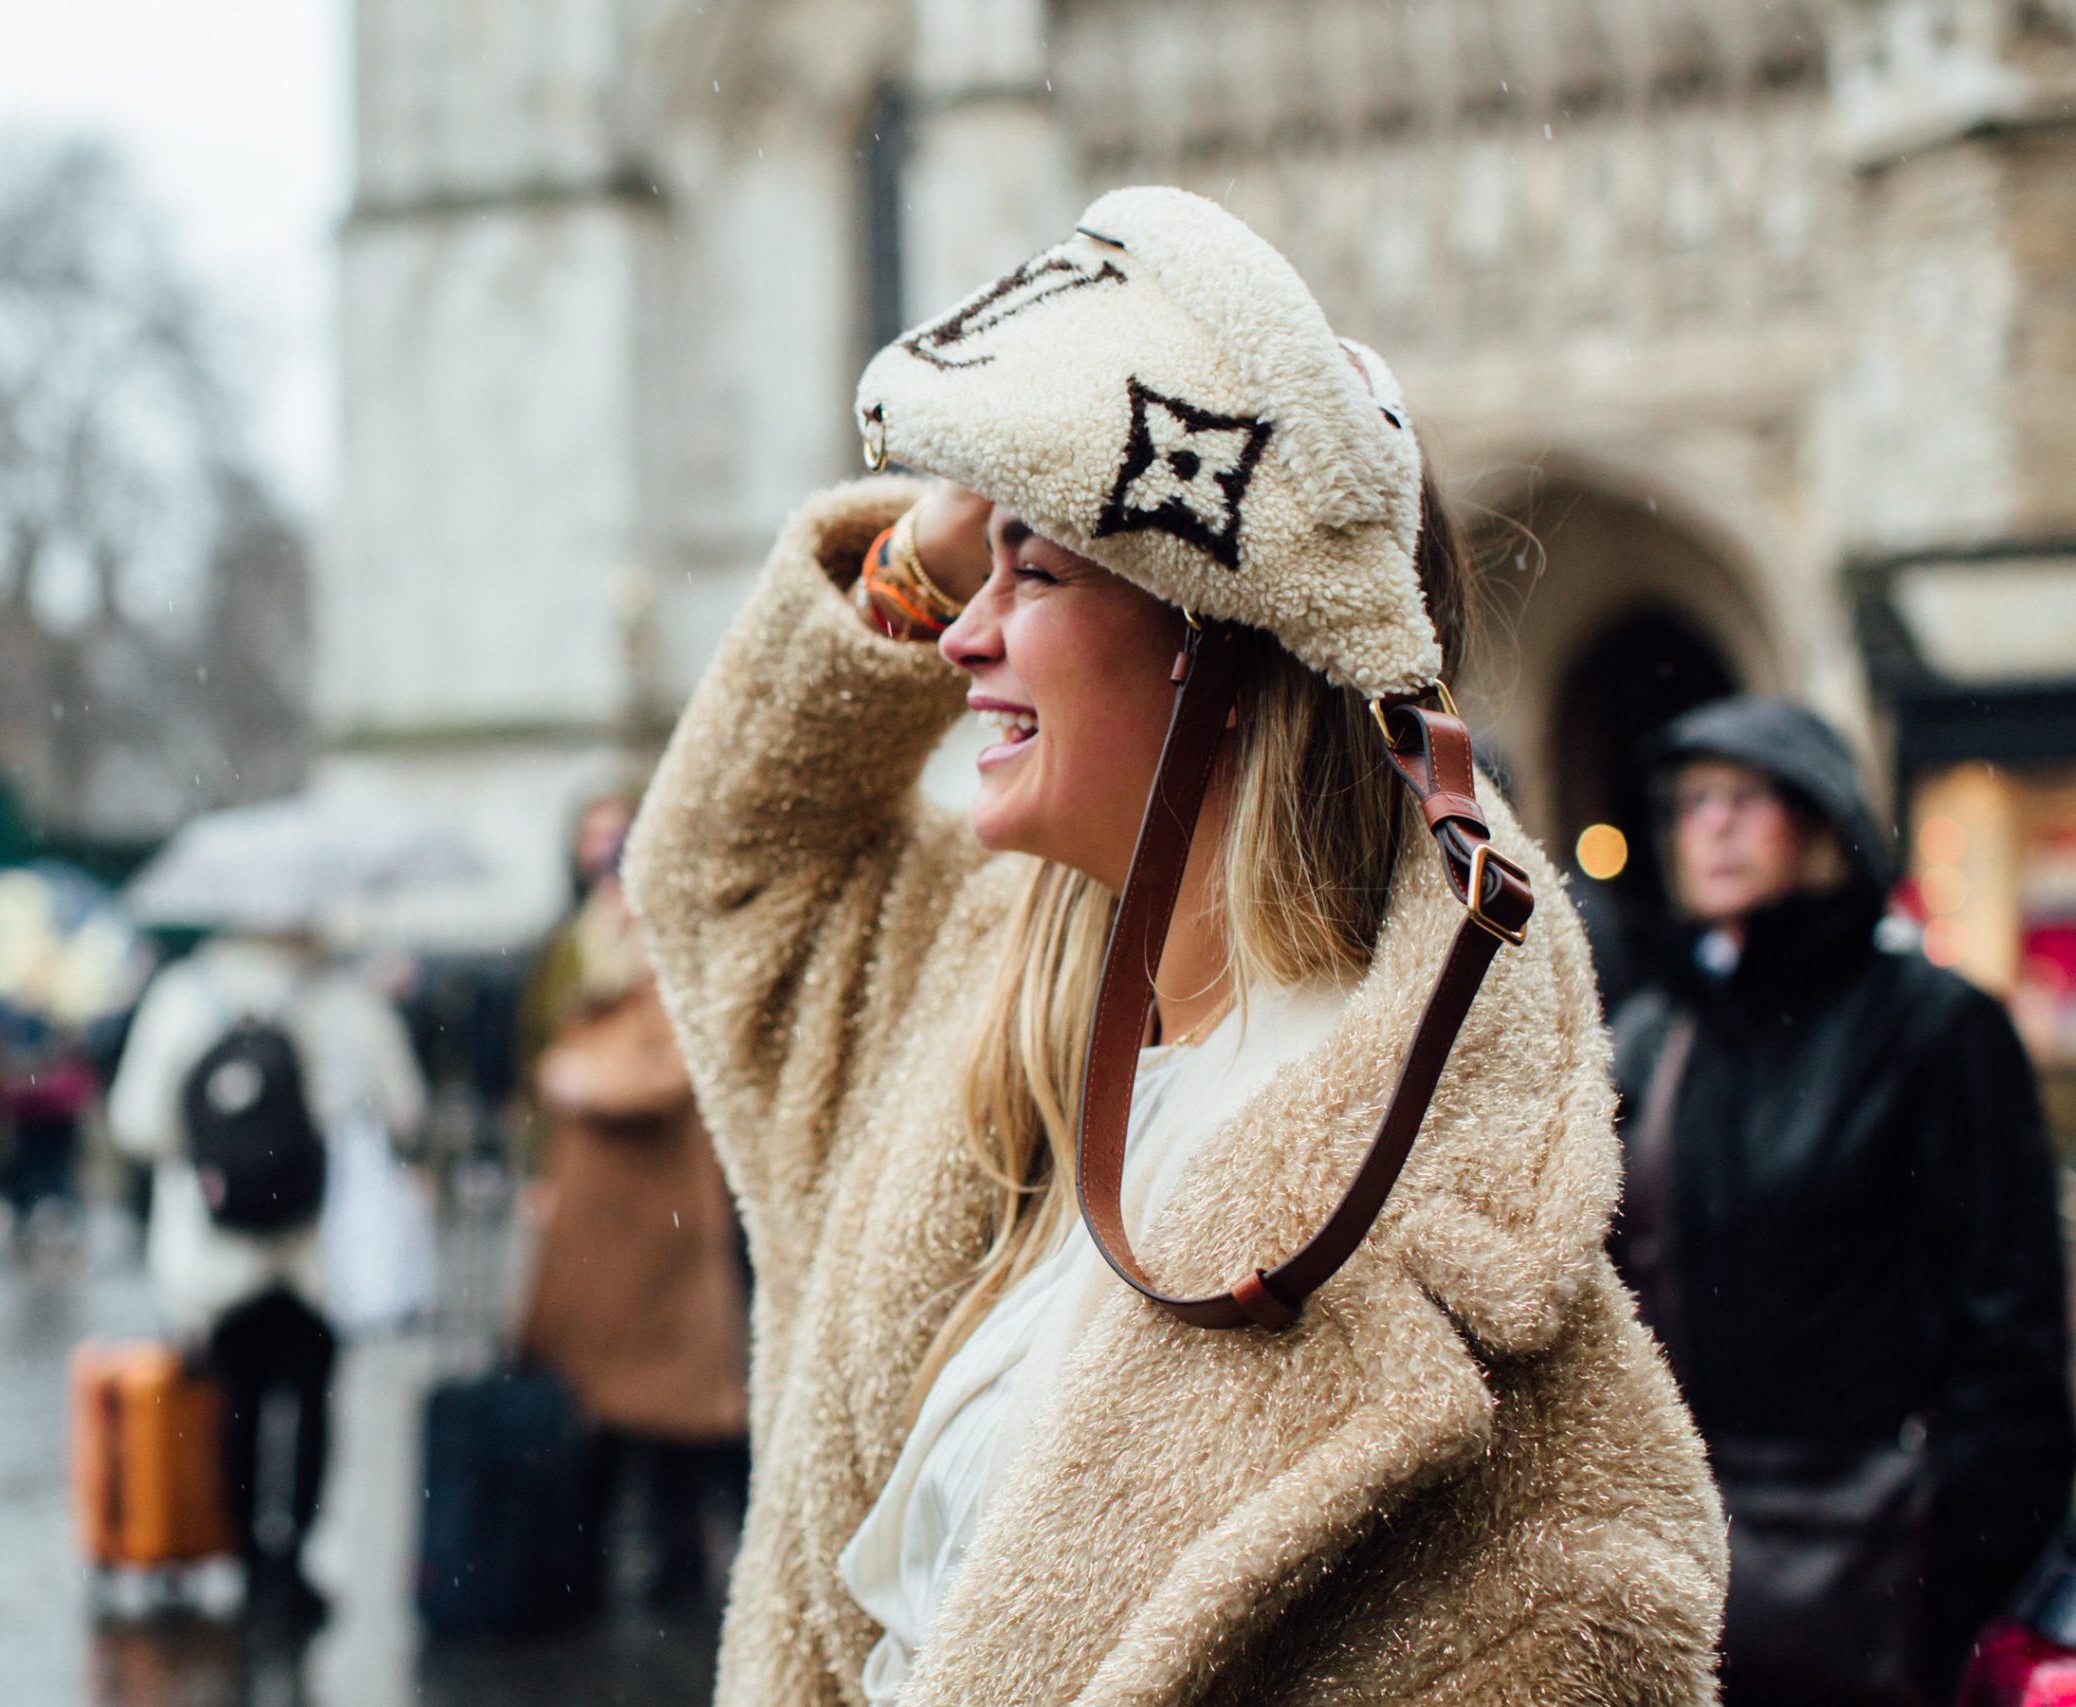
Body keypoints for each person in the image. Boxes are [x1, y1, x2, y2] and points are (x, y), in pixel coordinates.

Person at [624, 187, 1726, 1706]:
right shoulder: (981, 1011)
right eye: (974, 572)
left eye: (1039, 571)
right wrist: (966, 506)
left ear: (1229, 635)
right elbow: (723, 870)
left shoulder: (1496, 1365)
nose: (956, 628)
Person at [1609, 696, 2074, 1705]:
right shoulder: (1652, 1035)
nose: (1713, 825)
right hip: (1686, 1561)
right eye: (1691, 803)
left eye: (1744, 798)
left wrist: (1944, 1582)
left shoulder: (1937, 1029)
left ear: (1818, 822)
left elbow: (2012, 1336)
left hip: (1878, 1574)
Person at [106, 928, 428, 1627]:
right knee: (312, 1402)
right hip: (318, 1248)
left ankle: (250, 1561)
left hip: (215, 1248)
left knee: (233, 1404)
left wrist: (220, 1134)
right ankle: (294, 1565)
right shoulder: (347, 998)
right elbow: (406, 1110)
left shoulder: (182, 996)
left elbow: (136, 1122)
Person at [517, 866, 750, 1605]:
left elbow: (668, 1073)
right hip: (599, 1230)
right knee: (598, 1404)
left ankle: (670, 1565)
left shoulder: (676, 973)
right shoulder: (586, 961)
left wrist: (581, 1079)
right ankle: (581, 1565)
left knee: (671, 1408)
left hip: (659, 1231)